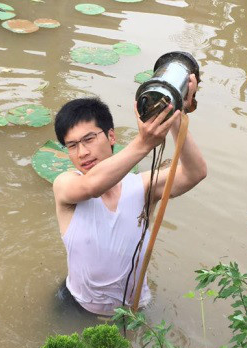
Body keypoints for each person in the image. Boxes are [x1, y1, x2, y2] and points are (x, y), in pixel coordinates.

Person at [53, 74, 206, 315]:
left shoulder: (143, 186)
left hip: (134, 310)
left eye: (89, 139)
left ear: (111, 136)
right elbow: (91, 187)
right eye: (72, 145)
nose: (82, 152)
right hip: (79, 306)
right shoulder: (66, 186)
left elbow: (195, 173)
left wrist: (176, 115)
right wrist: (144, 143)